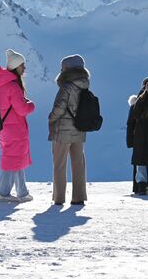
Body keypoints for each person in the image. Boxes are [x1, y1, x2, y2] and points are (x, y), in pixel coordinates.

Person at [0, 50, 36, 202]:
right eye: (22, 65)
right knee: (12, 159)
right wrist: (31, 105)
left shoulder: (2, 85)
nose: (24, 68)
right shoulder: (12, 86)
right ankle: (3, 193)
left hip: (6, 128)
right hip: (15, 129)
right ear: (16, 66)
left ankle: (22, 192)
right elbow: (22, 109)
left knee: (15, 158)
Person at [48, 54, 90, 206]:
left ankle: (59, 198)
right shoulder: (84, 85)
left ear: (68, 68)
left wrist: (51, 117)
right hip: (79, 129)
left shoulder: (66, 87)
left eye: (63, 67)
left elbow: (59, 108)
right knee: (78, 163)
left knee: (59, 164)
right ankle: (78, 197)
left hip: (63, 131)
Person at [127, 77, 148, 194]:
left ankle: (139, 187)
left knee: (139, 162)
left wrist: (130, 141)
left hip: (138, 138)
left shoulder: (135, 103)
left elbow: (130, 124)